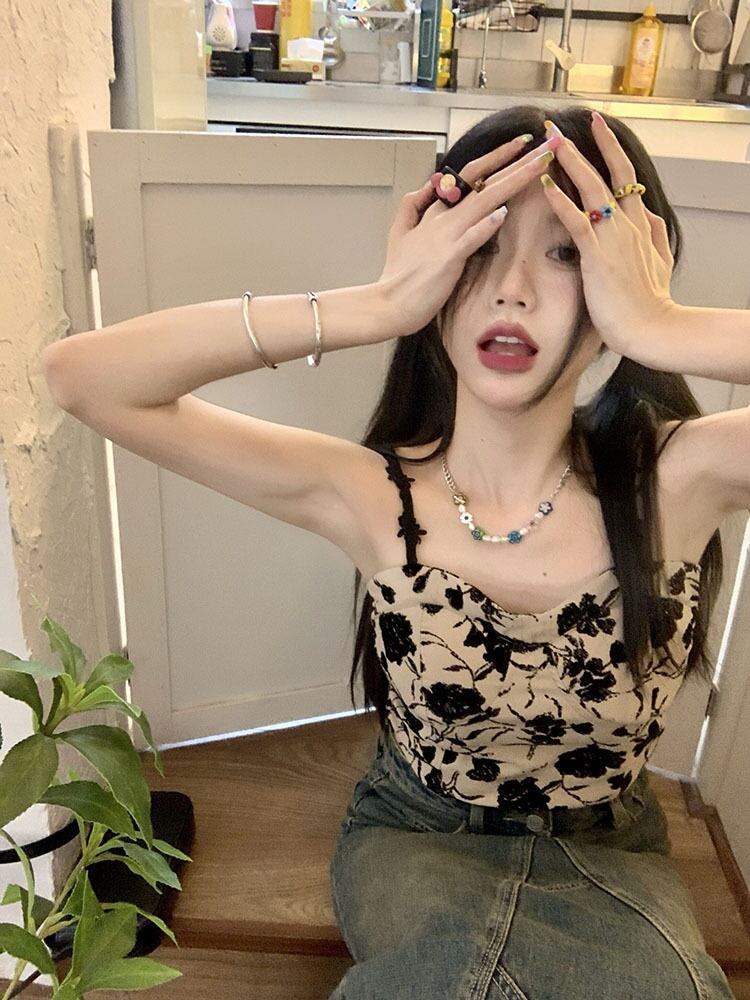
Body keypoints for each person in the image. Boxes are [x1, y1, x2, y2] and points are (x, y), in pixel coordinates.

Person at [41, 104, 747, 999]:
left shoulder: (674, 479)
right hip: (417, 838)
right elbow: (82, 378)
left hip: (612, 854)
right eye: (481, 242)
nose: (511, 289)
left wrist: (663, 327)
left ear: (625, 271)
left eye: (566, 252)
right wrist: (374, 305)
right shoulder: (375, 494)